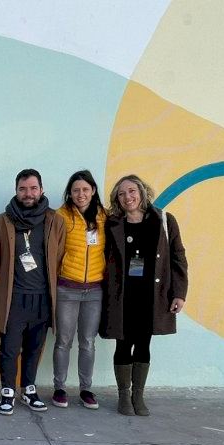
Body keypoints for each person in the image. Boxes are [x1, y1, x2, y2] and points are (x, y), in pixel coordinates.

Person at [101, 174, 189, 416]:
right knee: (123, 344)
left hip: (152, 296)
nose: (127, 197)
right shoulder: (112, 224)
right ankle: (123, 396)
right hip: (122, 296)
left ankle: (138, 396)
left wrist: (179, 294)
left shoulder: (164, 220)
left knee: (143, 344)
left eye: (132, 191)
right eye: (121, 194)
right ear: (117, 199)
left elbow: (178, 258)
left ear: (142, 192)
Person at [0, 169, 66, 416]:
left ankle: (28, 389)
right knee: (9, 348)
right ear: (16, 191)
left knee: (35, 347)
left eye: (33, 188)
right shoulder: (2, 221)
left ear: (41, 190)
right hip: (14, 297)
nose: (28, 193)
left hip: (43, 298)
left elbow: (59, 256)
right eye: (23, 189)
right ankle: (7, 391)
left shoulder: (55, 221)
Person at [52, 170, 108, 410]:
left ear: (93, 190)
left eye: (85, 189)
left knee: (88, 342)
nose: (81, 194)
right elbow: (53, 250)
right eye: (76, 190)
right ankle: (59, 388)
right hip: (67, 288)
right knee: (63, 340)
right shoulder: (61, 216)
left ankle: (86, 389)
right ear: (70, 193)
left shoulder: (105, 217)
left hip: (94, 290)